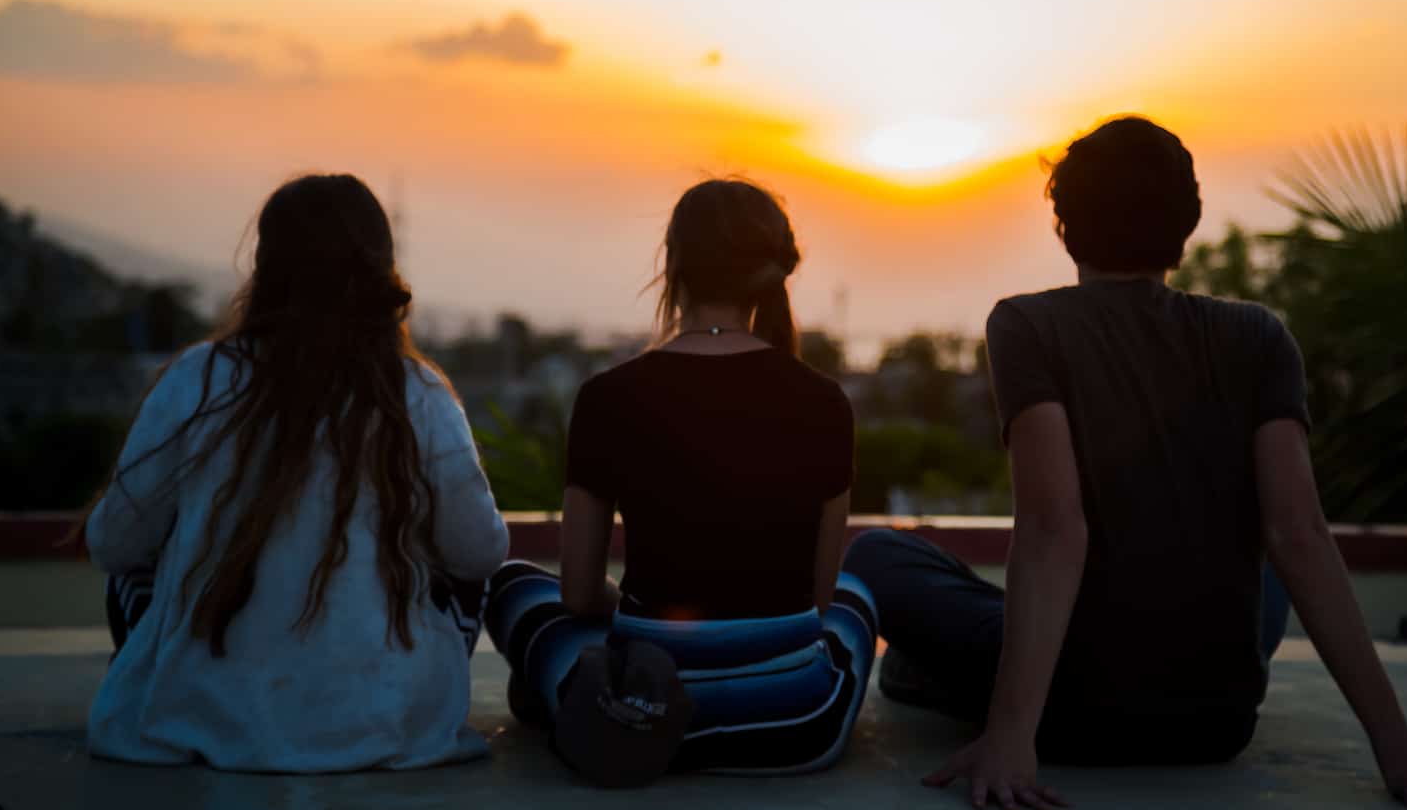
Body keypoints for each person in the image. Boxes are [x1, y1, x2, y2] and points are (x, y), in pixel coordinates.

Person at [844, 117, 1407, 810]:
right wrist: (1396, 742)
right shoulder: (1260, 335)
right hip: (1216, 720)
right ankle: (950, 668)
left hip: (1077, 714)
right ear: (1188, 224)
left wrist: (1012, 733)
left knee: (881, 554)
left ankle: (935, 677)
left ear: (1064, 224)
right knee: (1267, 559)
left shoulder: (1028, 324)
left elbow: (1054, 527)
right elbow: (1300, 534)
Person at [83, 174, 508, 772]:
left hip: (197, 722)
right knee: (476, 574)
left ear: (264, 267)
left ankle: (192, 686)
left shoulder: (198, 378)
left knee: (134, 568)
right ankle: (386, 687)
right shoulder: (418, 392)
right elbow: (479, 553)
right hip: (384, 725)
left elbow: (111, 541)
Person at [487, 178, 877, 776]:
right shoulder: (825, 402)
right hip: (796, 726)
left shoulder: (607, 398)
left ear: (672, 265)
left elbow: (578, 594)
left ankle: (574, 697)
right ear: (773, 271)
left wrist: (632, 610)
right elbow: (819, 600)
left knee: (512, 584)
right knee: (858, 592)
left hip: (643, 711)